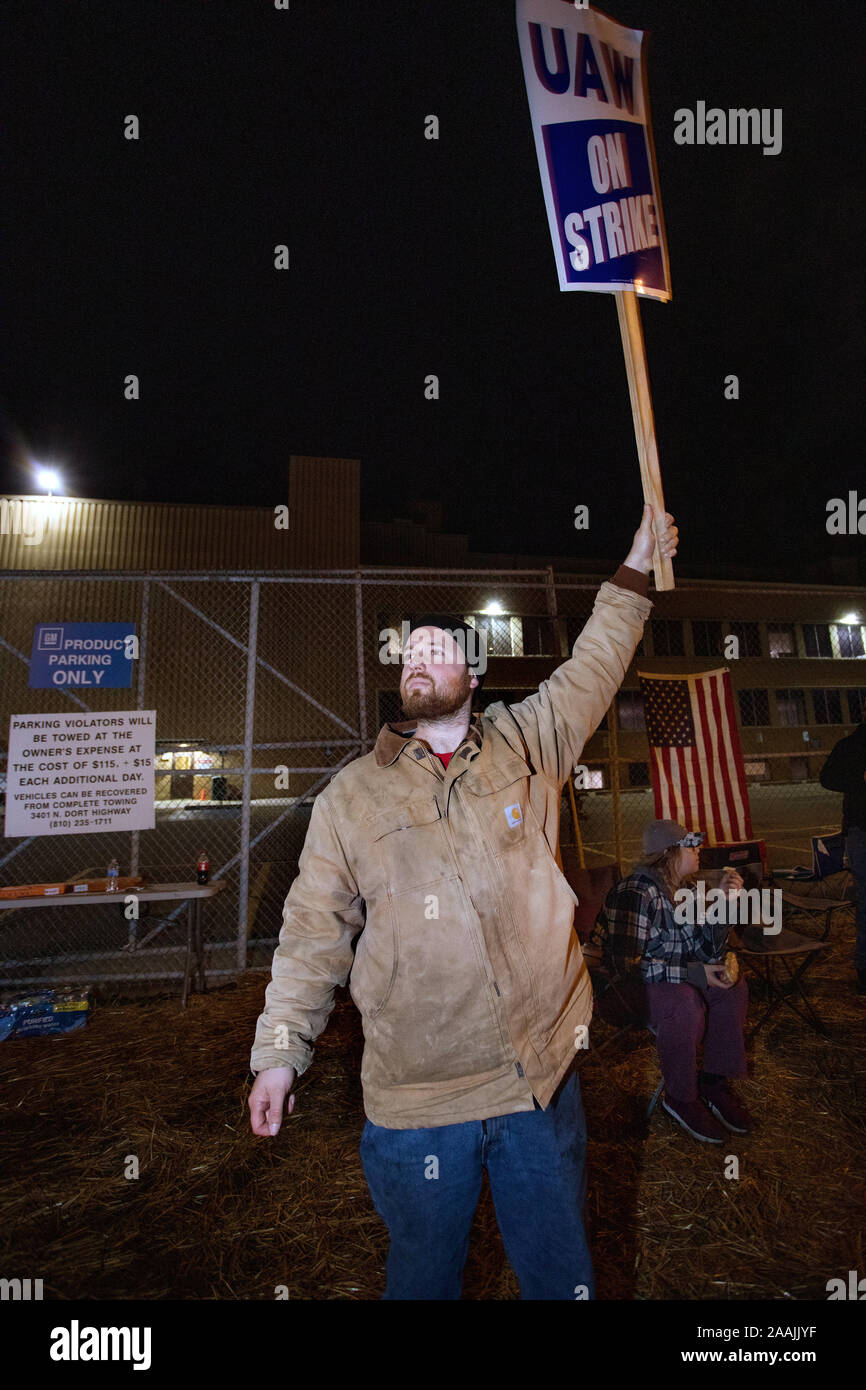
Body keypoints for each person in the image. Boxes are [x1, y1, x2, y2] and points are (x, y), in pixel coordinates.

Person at [247, 504, 677, 1300]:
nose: (418, 660)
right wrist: (278, 1054)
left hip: (535, 1084)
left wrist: (637, 563)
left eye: (438, 651)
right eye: (409, 652)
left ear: (473, 676)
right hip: (418, 1102)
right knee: (422, 1282)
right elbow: (312, 934)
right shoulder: (352, 797)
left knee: (560, 1275)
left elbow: (595, 663)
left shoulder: (528, 741)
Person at [593, 820, 753, 1144]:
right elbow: (624, 968)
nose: (698, 849)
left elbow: (706, 952)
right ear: (668, 853)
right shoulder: (635, 891)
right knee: (683, 1001)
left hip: (665, 982)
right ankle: (680, 1097)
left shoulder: (688, 892)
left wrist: (724, 904)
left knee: (731, 988)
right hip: (619, 993)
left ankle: (712, 1081)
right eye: (690, 844)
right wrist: (692, 974)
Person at [819, 705, 866, 992]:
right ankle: (863, 967)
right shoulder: (852, 745)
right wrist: (860, 779)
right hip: (863, 830)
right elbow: (828, 778)